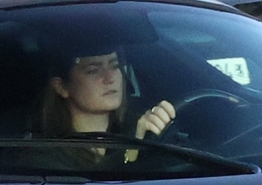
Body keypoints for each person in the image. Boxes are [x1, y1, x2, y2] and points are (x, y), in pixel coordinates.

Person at [41, 46, 175, 140]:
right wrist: (136, 144)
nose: (110, 78)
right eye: (93, 70)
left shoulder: (137, 126)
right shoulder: (44, 154)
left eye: (115, 66)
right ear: (61, 87)